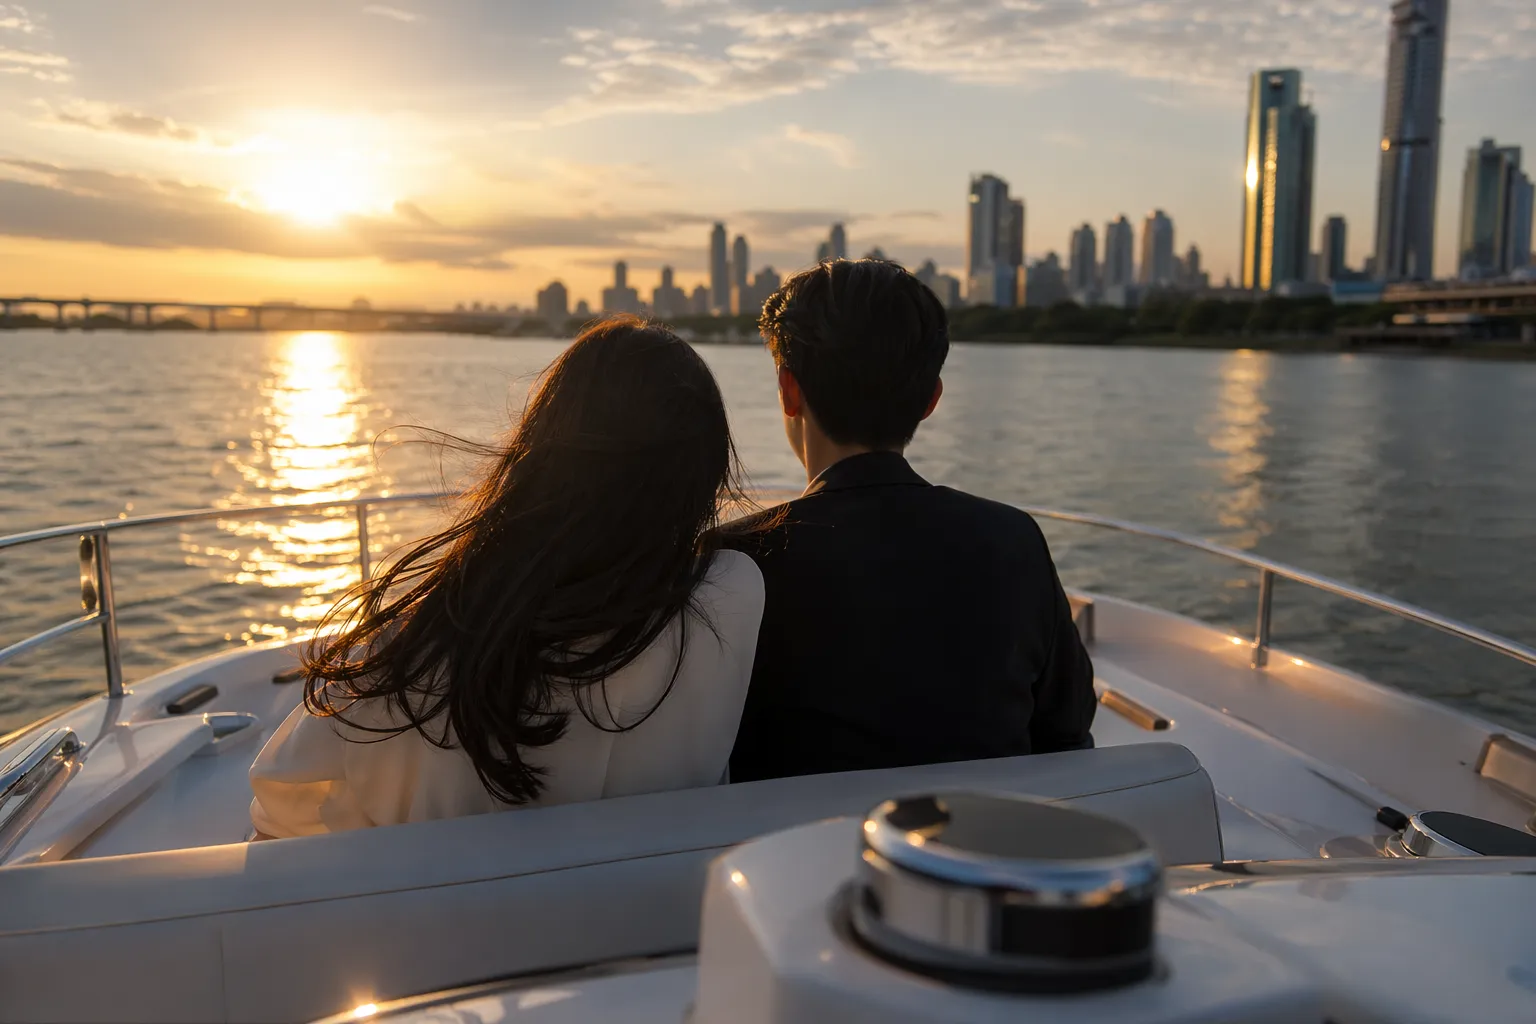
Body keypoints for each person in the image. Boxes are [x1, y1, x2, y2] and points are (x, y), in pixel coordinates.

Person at [249, 318, 764, 837]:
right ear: (704, 468)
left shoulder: (420, 640)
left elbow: (279, 812)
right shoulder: (734, 595)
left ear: (543, 447)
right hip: (657, 907)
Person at [723, 259, 1095, 782]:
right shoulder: (1014, 540)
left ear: (789, 390)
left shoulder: (736, 561)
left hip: (786, 858)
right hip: (974, 849)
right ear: (930, 400)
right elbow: (1068, 730)